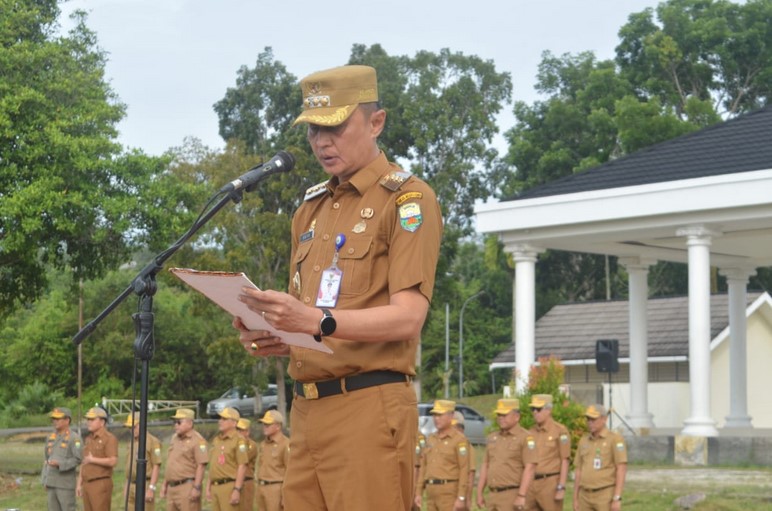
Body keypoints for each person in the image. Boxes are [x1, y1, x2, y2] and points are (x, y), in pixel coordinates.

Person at [233, 64, 443, 511]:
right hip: (307, 412)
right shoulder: (309, 211)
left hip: (369, 406)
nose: (321, 142)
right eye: (312, 131)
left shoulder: (406, 200)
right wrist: (278, 334)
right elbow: (316, 321)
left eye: (335, 127)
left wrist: (313, 320)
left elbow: (409, 317)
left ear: (376, 122)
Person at [476, 399, 537, 511]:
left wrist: (521, 495)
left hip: (512, 494)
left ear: (517, 416)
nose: (500, 417)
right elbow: (485, 465)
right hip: (493, 495)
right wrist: (479, 492)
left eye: (504, 414)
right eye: (499, 414)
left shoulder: (525, 438)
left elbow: (530, 467)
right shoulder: (492, 437)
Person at [414, 400, 471, 511]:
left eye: (440, 415)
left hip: (449, 492)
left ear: (451, 416)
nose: (436, 418)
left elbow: (464, 469)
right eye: (434, 415)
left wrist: (461, 497)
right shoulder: (431, 439)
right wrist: (418, 492)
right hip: (431, 493)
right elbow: (423, 466)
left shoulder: (459, 440)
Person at [572, 405, 627, 511]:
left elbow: (621, 468)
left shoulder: (614, 439)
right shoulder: (584, 440)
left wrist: (617, 498)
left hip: (605, 494)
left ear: (604, 419)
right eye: (588, 419)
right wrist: (575, 498)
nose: (590, 422)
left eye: (593, 419)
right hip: (584, 495)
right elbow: (578, 470)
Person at [525, 395, 570, 511]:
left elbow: (565, 460)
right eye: (533, 409)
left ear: (549, 410)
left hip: (550, 483)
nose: (535, 412)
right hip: (531, 484)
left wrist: (561, 486)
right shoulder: (530, 432)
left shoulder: (560, 431)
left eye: (538, 409)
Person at [160, 408, 209, 511]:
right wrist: (165, 484)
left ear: (190, 423)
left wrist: (196, 487)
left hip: (187, 486)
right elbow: (170, 462)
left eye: (179, 422)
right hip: (172, 487)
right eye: (174, 422)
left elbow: (201, 465)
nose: (176, 425)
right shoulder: (174, 438)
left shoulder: (198, 440)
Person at [206, 407, 248, 511]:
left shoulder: (238, 440)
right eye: (220, 419)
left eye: (224, 419)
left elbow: (242, 465)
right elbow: (213, 465)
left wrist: (237, 489)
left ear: (234, 423)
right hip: (215, 485)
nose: (220, 421)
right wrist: (208, 486)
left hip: (229, 485)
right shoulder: (217, 440)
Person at [77, 406, 118, 511]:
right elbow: (84, 462)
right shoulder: (88, 439)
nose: (89, 422)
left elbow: (113, 461)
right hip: (87, 483)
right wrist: (79, 483)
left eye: (92, 419)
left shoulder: (109, 438)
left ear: (102, 422)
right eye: (88, 419)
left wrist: (93, 460)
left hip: (100, 483)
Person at [43, 407, 82, 511]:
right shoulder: (50, 437)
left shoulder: (74, 438)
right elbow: (46, 459)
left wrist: (60, 464)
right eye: (53, 419)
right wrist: (45, 479)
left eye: (58, 419)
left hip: (65, 484)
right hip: (51, 482)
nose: (55, 421)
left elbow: (78, 459)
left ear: (67, 420)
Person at [123, 412, 162, 510]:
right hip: (131, 484)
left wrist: (151, 488)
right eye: (129, 428)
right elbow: (129, 466)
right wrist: (126, 485)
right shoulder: (132, 442)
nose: (132, 430)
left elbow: (156, 466)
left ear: (142, 424)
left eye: (134, 427)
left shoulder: (152, 441)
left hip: (144, 485)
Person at [256, 410, 289, 511]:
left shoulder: (285, 444)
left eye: (268, 424)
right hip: (261, 487)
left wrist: (285, 495)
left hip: (276, 488)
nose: (265, 426)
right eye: (264, 424)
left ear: (278, 426)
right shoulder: (263, 444)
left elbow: (290, 471)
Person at [452, 411, 476, 510]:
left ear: (460, 429)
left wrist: (468, 499)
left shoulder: (466, 446)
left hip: (460, 495)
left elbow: (470, 475)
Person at [235, 418, 258, 511]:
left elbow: (241, 459)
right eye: (237, 430)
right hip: (235, 480)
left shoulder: (251, 445)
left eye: (241, 430)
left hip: (246, 481)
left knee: (246, 507)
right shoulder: (235, 444)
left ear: (247, 432)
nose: (238, 432)